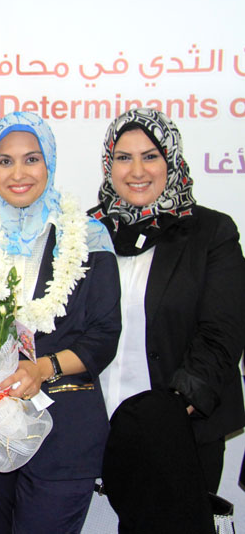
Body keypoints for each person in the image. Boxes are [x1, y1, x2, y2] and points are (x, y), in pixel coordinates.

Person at [0, 111, 121, 533]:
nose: (18, 173)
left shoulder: (89, 236)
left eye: (31, 159)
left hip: (65, 432)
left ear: (50, 163)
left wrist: (42, 368)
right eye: (5, 161)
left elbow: (103, 335)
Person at [86, 107, 245, 532]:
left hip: (178, 431)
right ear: (109, 164)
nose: (137, 171)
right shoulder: (85, 231)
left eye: (151, 156)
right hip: (92, 431)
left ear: (171, 159)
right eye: (124, 157)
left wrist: (169, 413)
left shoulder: (211, 232)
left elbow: (222, 333)